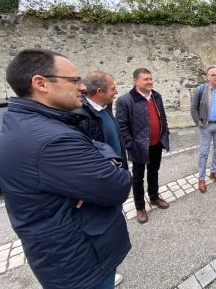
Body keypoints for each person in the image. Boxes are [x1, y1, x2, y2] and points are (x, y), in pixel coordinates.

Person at [0, 49, 131, 289]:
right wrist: (110, 157)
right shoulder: (51, 140)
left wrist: (92, 154)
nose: (82, 87)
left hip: (72, 256)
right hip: (80, 265)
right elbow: (118, 185)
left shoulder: (31, 123)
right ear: (41, 83)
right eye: (74, 80)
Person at [74, 71, 128, 287]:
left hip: (113, 178)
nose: (116, 90)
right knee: (102, 233)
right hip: (99, 186)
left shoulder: (104, 108)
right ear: (99, 92)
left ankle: (108, 270)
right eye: (113, 87)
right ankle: (104, 275)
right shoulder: (82, 116)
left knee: (113, 227)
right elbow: (83, 157)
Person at [116, 68, 170, 224]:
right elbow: (122, 126)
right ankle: (140, 207)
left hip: (156, 143)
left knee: (154, 171)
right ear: (135, 81)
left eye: (151, 79)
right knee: (138, 178)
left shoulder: (156, 96)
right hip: (138, 147)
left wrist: (164, 134)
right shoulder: (125, 100)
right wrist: (131, 145)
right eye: (146, 79)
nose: (150, 82)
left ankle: (154, 197)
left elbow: (162, 117)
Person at [190, 65, 216, 193]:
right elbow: (193, 108)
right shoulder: (201, 89)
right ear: (207, 77)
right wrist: (199, 122)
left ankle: (214, 172)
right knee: (203, 152)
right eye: (213, 75)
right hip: (206, 126)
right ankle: (201, 178)